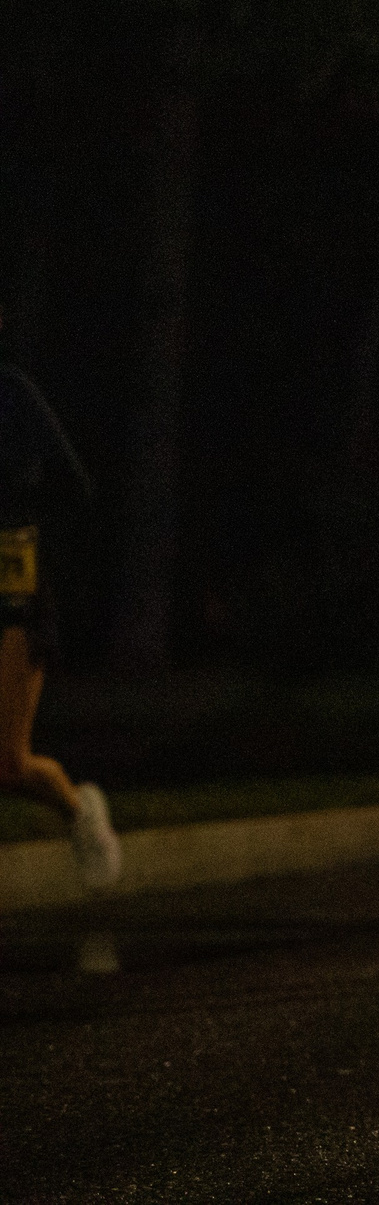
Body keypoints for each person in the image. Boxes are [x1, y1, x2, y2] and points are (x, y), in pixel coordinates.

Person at [0, 323, 116, 889]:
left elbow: (75, 487)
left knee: (7, 763)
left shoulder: (12, 392)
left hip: (13, 590)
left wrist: (16, 511)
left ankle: (78, 809)